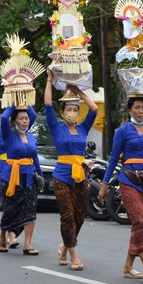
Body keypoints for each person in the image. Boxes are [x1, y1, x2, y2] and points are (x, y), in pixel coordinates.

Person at [98, 95, 143, 283]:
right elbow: (113, 158)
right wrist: (104, 185)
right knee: (142, 223)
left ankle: (128, 266)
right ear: (129, 110)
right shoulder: (122, 131)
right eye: (136, 108)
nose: (140, 111)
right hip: (128, 181)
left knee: (140, 224)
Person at [44, 71, 97, 271]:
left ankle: (65, 246)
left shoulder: (83, 128)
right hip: (61, 177)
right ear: (63, 112)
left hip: (80, 175)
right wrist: (49, 80)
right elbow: (48, 105)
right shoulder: (57, 128)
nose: (73, 112)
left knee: (80, 215)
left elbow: (93, 108)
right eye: (69, 109)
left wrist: (78, 91)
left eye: (75, 109)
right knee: (67, 215)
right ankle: (74, 255)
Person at [0, 106, 42, 253]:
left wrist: (25, 100)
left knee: (30, 210)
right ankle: (3, 236)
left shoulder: (31, 137)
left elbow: (34, 158)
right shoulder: (8, 135)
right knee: (10, 210)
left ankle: (28, 244)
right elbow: (3, 118)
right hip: (10, 177)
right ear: (13, 121)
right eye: (21, 118)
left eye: (26, 118)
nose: (25, 121)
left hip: (29, 178)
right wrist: (13, 103)